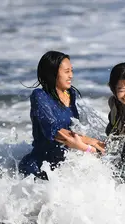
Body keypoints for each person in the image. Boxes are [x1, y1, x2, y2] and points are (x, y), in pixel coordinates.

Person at [19, 51, 105, 180]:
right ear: (52, 73)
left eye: (71, 71)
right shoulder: (40, 96)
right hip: (40, 168)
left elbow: (74, 130)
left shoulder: (70, 94)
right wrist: (91, 142)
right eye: (66, 71)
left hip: (64, 165)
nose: (71, 75)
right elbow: (55, 131)